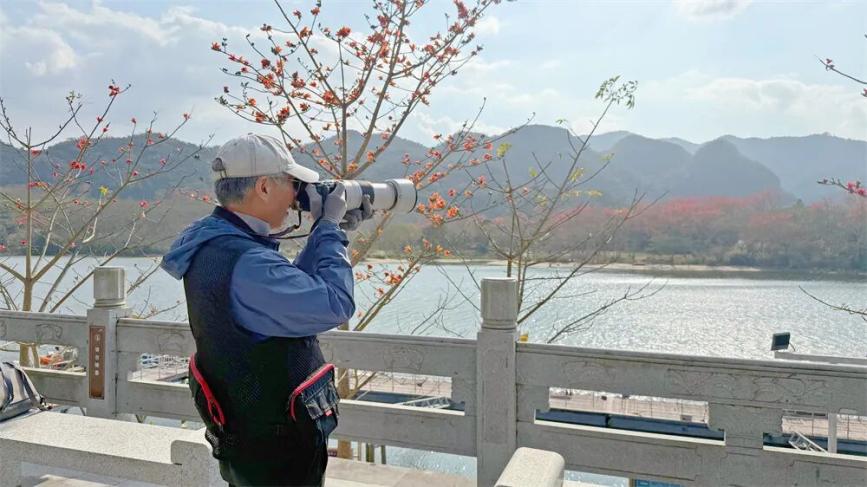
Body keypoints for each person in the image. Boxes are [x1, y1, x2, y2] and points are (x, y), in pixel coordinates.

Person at [161, 133, 372, 486]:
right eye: (292, 184)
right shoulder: (248, 262)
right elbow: (336, 303)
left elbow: (289, 289)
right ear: (263, 187)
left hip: (248, 439)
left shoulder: (216, 246)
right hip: (276, 451)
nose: (295, 198)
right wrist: (330, 229)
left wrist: (327, 233)